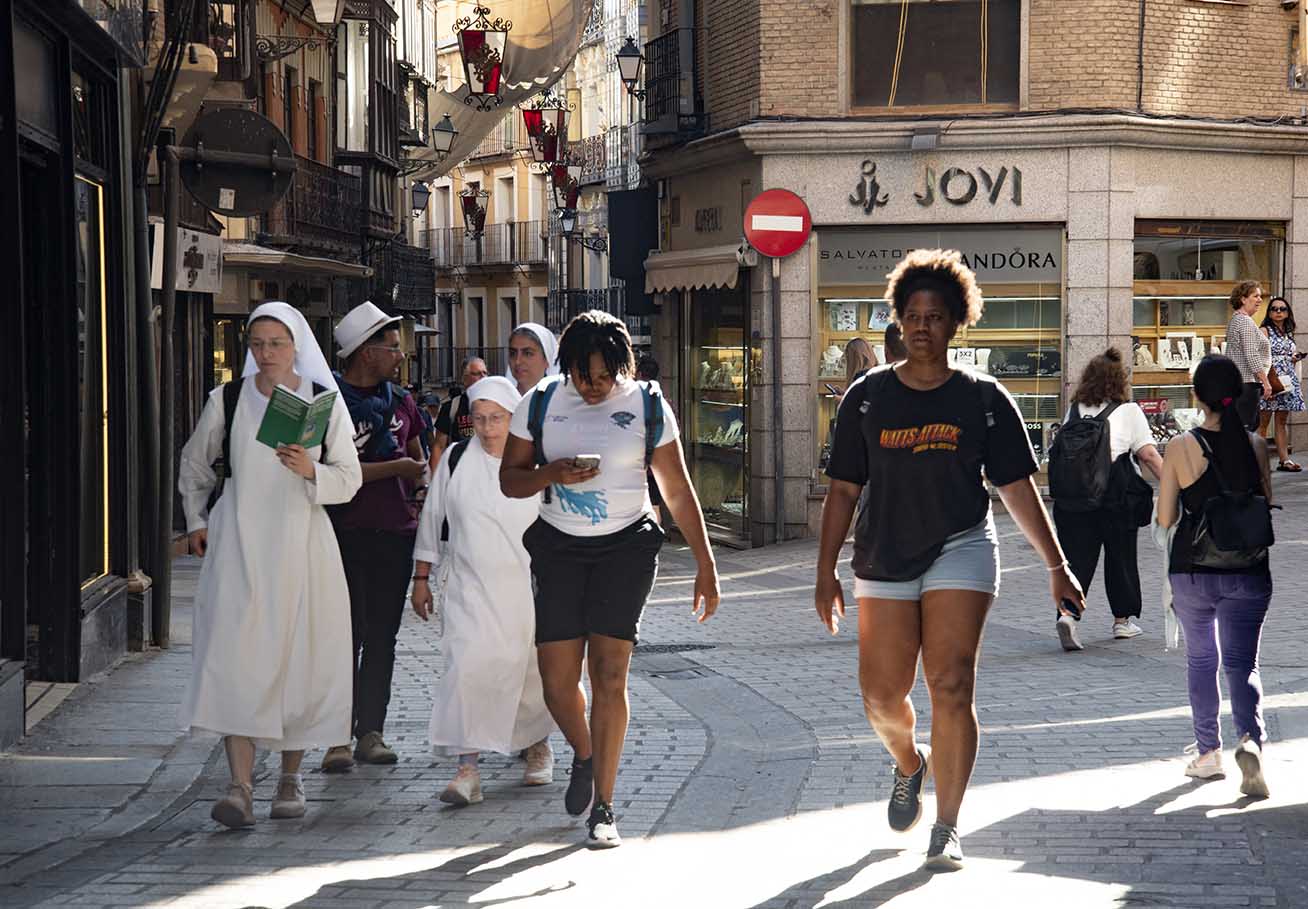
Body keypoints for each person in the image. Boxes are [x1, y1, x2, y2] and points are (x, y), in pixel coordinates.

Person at [814, 249, 1084, 872]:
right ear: (898, 320)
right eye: (911, 315)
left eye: (935, 316)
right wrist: (825, 571)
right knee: (882, 696)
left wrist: (1055, 564)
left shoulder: (983, 399)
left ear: (956, 323)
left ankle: (948, 825)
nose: (921, 326)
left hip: (962, 545)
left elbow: (1017, 488)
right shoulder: (866, 398)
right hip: (883, 554)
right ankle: (910, 762)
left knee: (953, 683)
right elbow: (844, 490)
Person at [500, 310, 721, 849]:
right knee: (556, 683)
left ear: (621, 367)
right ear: (567, 366)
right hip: (557, 547)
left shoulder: (646, 403)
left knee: (609, 675)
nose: (593, 387)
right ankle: (585, 750)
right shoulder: (542, 402)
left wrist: (705, 563)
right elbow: (510, 481)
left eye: (603, 376)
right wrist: (553, 472)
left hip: (626, 547)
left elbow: (675, 486)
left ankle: (605, 805)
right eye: (583, 376)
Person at [178, 301, 362, 828]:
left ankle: (289, 775)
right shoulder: (228, 398)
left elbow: (348, 478)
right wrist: (196, 519)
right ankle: (238, 788)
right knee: (236, 654)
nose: (266, 353)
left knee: (299, 657)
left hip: (302, 541)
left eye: (276, 344)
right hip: (240, 540)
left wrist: (312, 470)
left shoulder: (322, 401)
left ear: (296, 345)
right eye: (257, 344)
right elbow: (195, 463)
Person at [411, 376, 555, 805]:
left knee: (530, 673)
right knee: (466, 669)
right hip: (468, 586)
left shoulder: (536, 464)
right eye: (480, 418)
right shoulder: (455, 460)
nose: (489, 427)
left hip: (525, 588)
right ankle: (467, 769)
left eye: (498, 418)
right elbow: (432, 520)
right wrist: (421, 578)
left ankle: (538, 746)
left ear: (514, 421)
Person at [1155, 354, 1273, 798]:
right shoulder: (1256, 445)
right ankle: (1251, 741)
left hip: (1193, 570)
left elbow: (1166, 515)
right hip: (1248, 569)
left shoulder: (1181, 447)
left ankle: (1208, 753)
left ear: (1197, 397)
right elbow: (1260, 504)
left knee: (1202, 661)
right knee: (1244, 664)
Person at [321, 302, 430, 773]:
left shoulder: (402, 401)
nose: (399, 355)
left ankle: (371, 732)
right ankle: (335, 737)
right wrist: (397, 470)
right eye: (392, 346)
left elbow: (416, 454)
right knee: (346, 635)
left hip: (395, 534)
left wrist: (420, 485)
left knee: (383, 635)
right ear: (366, 353)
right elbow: (325, 473)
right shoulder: (327, 403)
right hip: (343, 534)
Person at [1051, 348, 1164, 649]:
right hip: (1115, 495)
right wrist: (1179, 487)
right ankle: (1122, 622)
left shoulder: (1074, 409)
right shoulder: (1128, 411)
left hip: (1074, 497)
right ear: (1119, 381)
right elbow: (1149, 455)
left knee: (1077, 560)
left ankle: (1068, 615)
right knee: (1121, 557)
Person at [1258, 295, 1306, 471]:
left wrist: (1294, 358)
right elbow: (1259, 355)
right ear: (1269, 313)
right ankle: (1259, 461)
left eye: (1282, 309)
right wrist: (1264, 381)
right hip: (1270, 379)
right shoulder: (1264, 330)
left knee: (1281, 420)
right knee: (1263, 421)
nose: (1278, 312)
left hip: (1286, 380)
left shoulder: (1287, 332)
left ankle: (1284, 460)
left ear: (1287, 313)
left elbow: (1286, 354)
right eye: (1274, 309)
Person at [1224, 281, 1272, 432]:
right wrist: (1265, 382)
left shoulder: (1236, 319)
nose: (1259, 300)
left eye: (1260, 296)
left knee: (1239, 427)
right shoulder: (1245, 322)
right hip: (1247, 383)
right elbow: (1251, 354)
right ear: (1243, 299)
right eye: (1255, 296)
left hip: (1237, 382)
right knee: (1246, 428)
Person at [432, 356, 488, 462]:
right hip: (459, 472)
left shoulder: (497, 406)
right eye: (477, 374)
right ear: (465, 379)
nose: (483, 377)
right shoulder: (451, 407)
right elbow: (439, 446)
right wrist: (435, 477)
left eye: (485, 373)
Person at [636, 356, 665, 523]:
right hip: (657, 467)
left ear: (638, 373)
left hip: (638, 466)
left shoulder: (631, 402)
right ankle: (656, 543)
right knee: (654, 506)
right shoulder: (665, 402)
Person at [506, 322, 560, 395]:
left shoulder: (560, 402)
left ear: (547, 360)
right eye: (513, 353)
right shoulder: (499, 402)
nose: (517, 361)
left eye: (528, 354)